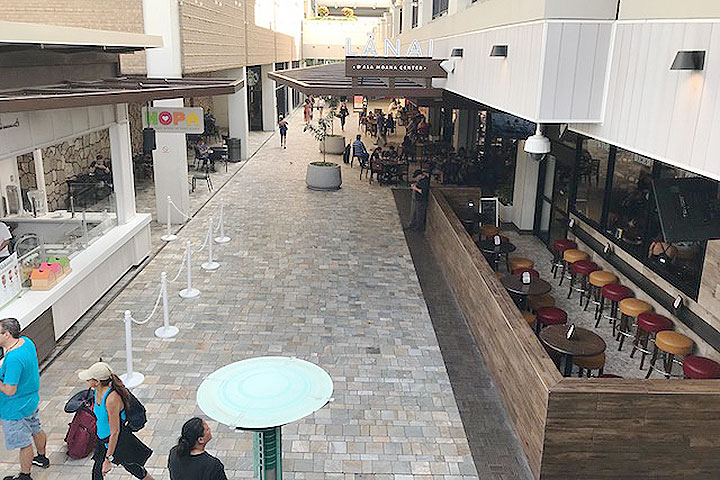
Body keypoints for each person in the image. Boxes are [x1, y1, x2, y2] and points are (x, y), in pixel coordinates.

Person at [78, 362, 154, 480]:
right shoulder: (97, 391)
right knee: (97, 472)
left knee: (134, 468)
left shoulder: (112, 399)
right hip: (103, 441)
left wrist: (108, 459)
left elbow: (115, 432)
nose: (86, 381)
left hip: (116, 443)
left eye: (89, 379)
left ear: (97, 382)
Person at [0, 318, 49, 480]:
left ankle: (25, 475)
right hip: (31, 400)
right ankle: (42, 457)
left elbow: (10, 390)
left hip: (15, 409)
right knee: (36, 428)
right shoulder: (26, 342)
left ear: (6, 334)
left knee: (24, 443)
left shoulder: (14, 358)